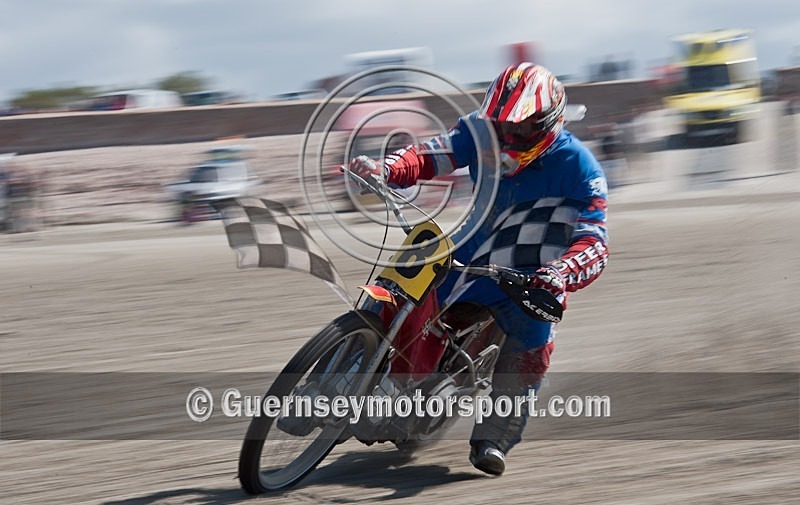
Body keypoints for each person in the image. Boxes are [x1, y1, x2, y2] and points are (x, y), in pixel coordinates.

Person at [347, 63, 610, 476]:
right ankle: (346, 373)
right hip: (466, 255)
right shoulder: (478, 132)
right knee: (399, 280)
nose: (506, 139)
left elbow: (595, 241)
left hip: (530, 279)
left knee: (532, 344)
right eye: (499, 127)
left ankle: (494, 436)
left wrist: (559, 273)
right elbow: (431, 154)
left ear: (548, 124)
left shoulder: (581, 168)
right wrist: (388, 169)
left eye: (519, 131)